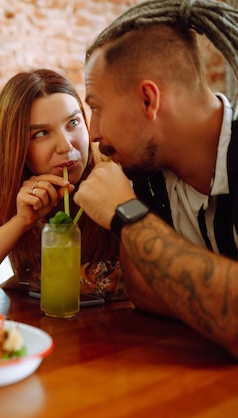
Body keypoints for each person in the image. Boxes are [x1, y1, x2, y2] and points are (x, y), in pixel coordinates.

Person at [74, 0, 238, 357]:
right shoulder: (147, 167)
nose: (95, 133)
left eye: (96, 107)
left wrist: (126, 214)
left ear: (149, 100)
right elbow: (143, 289)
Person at [0, 69, 125, 300]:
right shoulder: (0, 179)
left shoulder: (115, 165)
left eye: (73, 122)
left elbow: (125, 281)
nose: (65, 146)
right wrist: (21, 222)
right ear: (17, 147)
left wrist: (29, 279)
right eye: (41, 133)